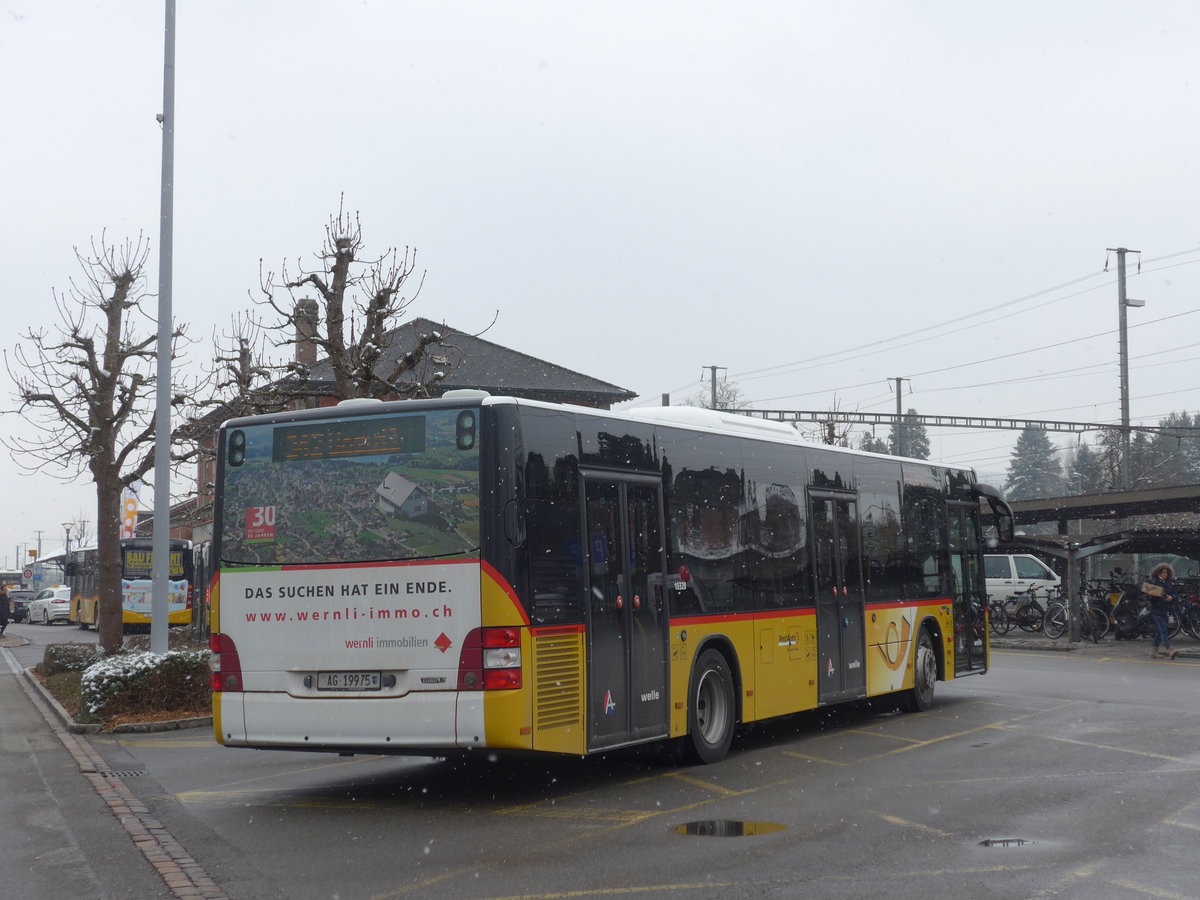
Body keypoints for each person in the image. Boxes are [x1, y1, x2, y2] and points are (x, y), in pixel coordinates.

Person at [1143, 563, 1180, 660]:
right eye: (1164, 572)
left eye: (1167, 572)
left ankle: (1154, 652)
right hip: (1157, 610)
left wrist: (1171, 598)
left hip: (1166, 610)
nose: (1165, 574)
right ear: (1159, 572)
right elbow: (1147, 594)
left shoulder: (1168, 583)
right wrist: (1151, 594)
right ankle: (1170, 649)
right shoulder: (1154, 582)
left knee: (1160, 631)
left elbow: (1175, 595)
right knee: (1163, 630)